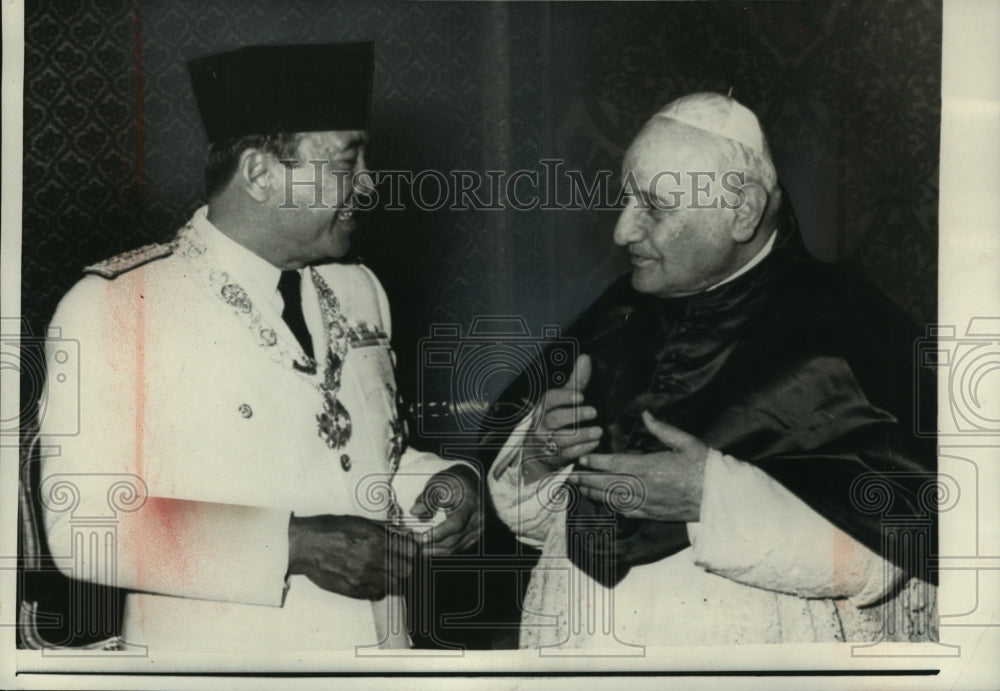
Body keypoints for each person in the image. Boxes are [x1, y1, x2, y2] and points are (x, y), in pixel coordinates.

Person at [37, 42, 480, 652]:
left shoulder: (357, 290)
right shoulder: (115, 306)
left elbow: (359, 456)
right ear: (260, 174)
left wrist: (440, 484)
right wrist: (292, 546)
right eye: (348, 160)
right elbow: (81, 525)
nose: (370, 182)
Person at [488, 92, 937, 648]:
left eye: (653, 206)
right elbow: (551, 527)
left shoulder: (850, 327)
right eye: (625, 199)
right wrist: (538, 460)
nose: (622, 231)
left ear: (743, 209)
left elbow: (895, 550)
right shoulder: (615, 315)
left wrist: (712, 499)